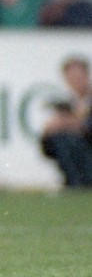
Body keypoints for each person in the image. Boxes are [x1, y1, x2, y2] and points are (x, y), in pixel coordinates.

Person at [40, 55, 92, 187]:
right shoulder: (69, 102)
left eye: (78, 77)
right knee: (60, 139)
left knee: (69, 140)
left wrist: (70, 123)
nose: (75, 81)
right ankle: (74, 182)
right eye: (71, 77)